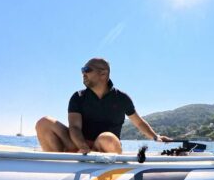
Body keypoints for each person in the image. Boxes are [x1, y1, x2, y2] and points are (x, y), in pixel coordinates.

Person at [35, 57, 171, 154]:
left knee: (107, 138)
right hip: (80, 144)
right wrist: (82, 147)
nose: (83, 73)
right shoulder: (78, 97)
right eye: (82, 70)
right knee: (44, 122)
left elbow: (139, 123)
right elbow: (75, 127)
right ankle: (58, 164)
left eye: (87, 69)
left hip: (105, 145)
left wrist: (155, 137)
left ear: (103, 73)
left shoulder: (122, 98)